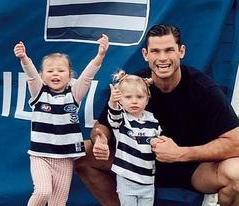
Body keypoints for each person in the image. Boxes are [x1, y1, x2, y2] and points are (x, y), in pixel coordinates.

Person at [75, 24, 239, 206]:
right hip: (136, 164)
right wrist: (101, 139)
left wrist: (180, 153)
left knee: (237, 174)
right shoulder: (133, 85)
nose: (162, 58)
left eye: (169, 50)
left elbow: (236, 142)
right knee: (80, 151)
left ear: (181, 51)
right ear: (146, 54)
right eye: (155, 51)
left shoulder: (203, 88)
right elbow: (102, 124)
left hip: (193, 170)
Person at [13, 34, 109, 206]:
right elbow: (31, 76)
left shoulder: (74, 94)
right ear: (43, 76)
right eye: (50, 71)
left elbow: (87, 77)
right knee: (42, 192)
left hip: (65, 158)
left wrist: (99, 56)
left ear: (70, 75)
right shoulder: (39, 93)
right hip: (40, 156)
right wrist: (24, 58)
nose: (55, 74)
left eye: (61, 70)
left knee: (58, 203)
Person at [107, 71, 161, 206]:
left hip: (148, 179)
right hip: (127, 177)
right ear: (120, 99)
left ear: (147, 99)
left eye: (139, 97)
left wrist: (158, 143)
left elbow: (160, 141)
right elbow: (113, 115)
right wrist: (112, 101)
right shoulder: (122, 119)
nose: (134, 101)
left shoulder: (153, 120)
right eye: (128, 97)